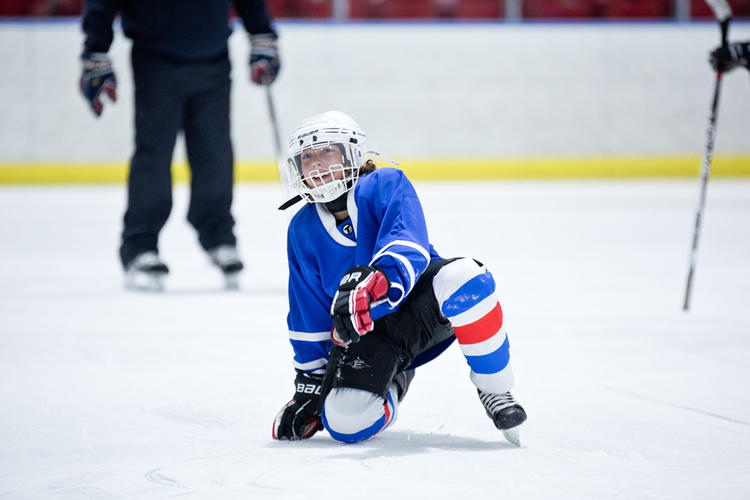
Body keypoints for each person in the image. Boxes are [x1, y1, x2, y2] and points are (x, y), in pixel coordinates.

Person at [271, 111, 527, 445]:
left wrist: (378, 278)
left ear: (352, 153)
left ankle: (496, 390)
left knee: (467, 279)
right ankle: (390, 379)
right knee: (346, 423)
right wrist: (310, 383)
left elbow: (407, 241)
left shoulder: (385, 184)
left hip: (419, 305)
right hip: (369, 336)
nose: (316, 164)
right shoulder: (301, 228)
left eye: (327, 151)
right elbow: (308, 310)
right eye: (306, 157)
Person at [79, 0, 280, 291]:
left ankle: (218, 234)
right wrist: (95, 50)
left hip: (213, 57)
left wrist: (261, 33)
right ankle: (139, 245)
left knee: (215, 153)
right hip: (155, 59)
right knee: (154, 154)